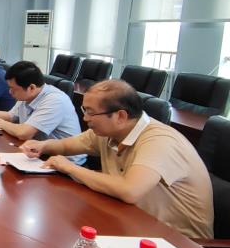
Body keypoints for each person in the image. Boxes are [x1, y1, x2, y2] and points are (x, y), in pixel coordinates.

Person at [21, 79, 214, 239]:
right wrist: (43, 146)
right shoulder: (108, 131)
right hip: (131, 224)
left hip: (177, 244)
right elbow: (67, 145)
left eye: (90, 112)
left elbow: (129, 190)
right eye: (84, 110)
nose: (85, 118)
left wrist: (70, 168)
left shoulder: (159, 141)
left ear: (120, 116)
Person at [0, 61, 85, 164]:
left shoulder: (55, 100)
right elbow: (10, 116)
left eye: (13, 88)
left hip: (66, 164)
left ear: (31, 88)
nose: (10, 92)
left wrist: (1, 123)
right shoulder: (27, 95)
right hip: (39, 155)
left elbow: (24, 133)